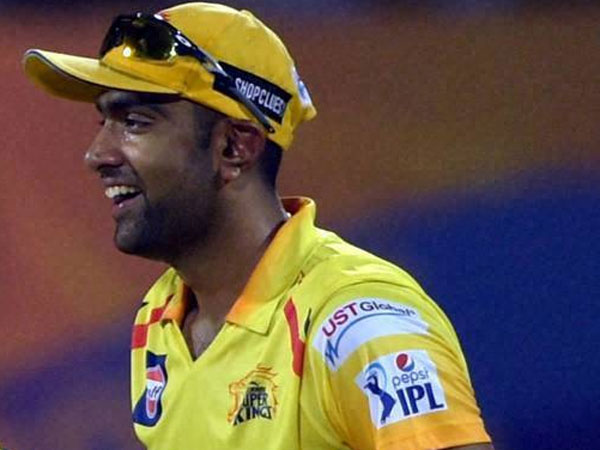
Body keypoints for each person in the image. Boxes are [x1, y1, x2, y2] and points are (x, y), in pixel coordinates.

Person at [23, 2, 493, 449]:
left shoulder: (359, 322)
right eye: (103, 123)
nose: (97, 155)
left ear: (234, 147)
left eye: (135, 122)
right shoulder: (160, 316)